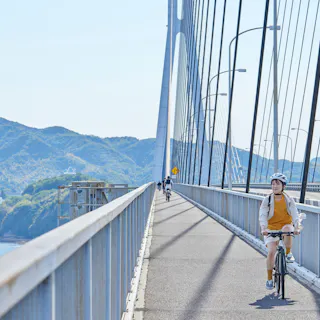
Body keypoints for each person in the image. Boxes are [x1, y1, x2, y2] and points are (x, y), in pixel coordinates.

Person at [259, 173, 301, 290]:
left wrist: (297, 227)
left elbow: (295, 214)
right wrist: (264, 228)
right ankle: (269, 279)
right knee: (272, 251)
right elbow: (262, 215)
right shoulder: (267, 200)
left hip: (285, 226)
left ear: (283, 186)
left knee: (288, 229)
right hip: (270, 229)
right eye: (273, 184)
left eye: (277, 184)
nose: (274, 186)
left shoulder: (289, 200)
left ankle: (288, 253)